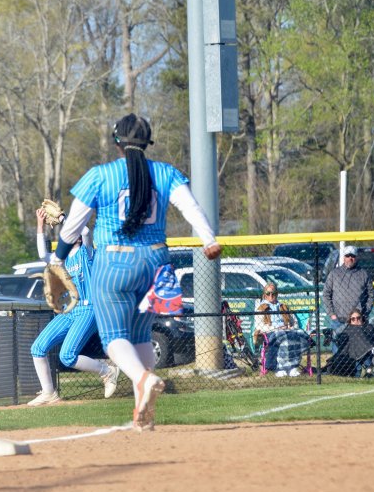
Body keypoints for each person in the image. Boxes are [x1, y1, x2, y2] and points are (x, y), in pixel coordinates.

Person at [52, 113, 222, 431]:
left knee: (114, 339)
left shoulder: (101, 175)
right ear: (147, 141)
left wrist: (57, 257)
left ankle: (143, 380)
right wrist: (208, 239)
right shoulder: (165, 172)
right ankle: (144, 414)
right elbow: (190, 207)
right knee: (142, 335)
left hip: (115, 264)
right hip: (158, 264)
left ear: (117, 142)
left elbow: (72, 226)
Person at [27, 207, 120, 406]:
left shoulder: (87, 253)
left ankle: (108, 371)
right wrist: (40, 224)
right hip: (70, 310)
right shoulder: (62, 259)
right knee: (37, 348)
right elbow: (42, 253)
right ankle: (49, 393)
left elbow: (86, 232)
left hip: (89, 308)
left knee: (67, 356)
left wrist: (62, 218)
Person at [322, 245, 374, 353]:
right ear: (343, 257)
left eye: (353, 256)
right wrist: (332, 314)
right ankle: (338, 370)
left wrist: (365, 312)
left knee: (358, 349)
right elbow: (326, 295)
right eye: (347, 255)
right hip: (339, 320)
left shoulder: (363, 274)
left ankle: (357, 370)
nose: (350, 258)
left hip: (357, 320)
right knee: (338, 350)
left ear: (356, 257)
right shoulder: (334, 274)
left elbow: (371, 294)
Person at [253, 282, 308, 377]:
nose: (271, 296)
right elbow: (260, 326)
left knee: (299, 335)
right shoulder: (260, 308)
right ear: (264, 295)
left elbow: (294, 321)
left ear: (277, 294)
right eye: (268, 293)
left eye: (273, 293)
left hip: (287, 330)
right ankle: (281, 368)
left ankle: (292, 368)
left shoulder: (283, 306)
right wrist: (277, 328)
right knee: (283, 338)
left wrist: (291, 327)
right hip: (271, 332)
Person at [322, 309, 374, 377]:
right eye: (353, 319)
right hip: (349, 354)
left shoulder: (368, 327)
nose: (356, 320)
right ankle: (369, 369)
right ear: (350, 320)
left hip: (366, 352)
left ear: (362, 318)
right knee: (356, 373)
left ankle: (370, 368)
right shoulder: (346, 327)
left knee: (368, 354)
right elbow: (335, 334)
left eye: (358, 318)